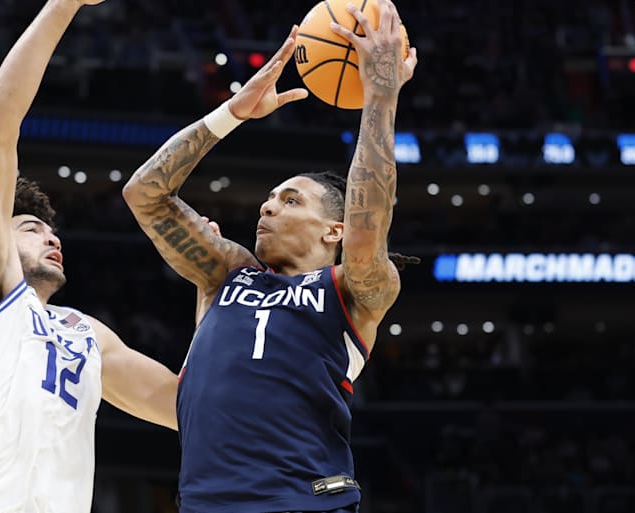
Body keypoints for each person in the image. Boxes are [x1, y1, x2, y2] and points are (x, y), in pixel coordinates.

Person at [122, 1, 418, 511]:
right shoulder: (229, 274)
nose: (268, 204)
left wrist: (380, 93)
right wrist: (229, 114)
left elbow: (370, 224)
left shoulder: (353, 291)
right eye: (272, 195)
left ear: (334, 230)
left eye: (291, 199)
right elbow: (144, 194)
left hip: (303, 501)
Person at [0, 1, 179, 511]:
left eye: (51, 229)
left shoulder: (87, 334)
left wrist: (211, 282)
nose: (51, 237)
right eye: (31, 227)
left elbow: (186, 404)